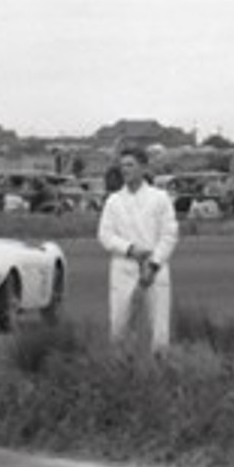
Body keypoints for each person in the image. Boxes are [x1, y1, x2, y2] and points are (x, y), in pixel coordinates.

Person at [97, 147, 179, 349]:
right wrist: (130, 249)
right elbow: (105, 235)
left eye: (130, 165)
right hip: (123, 266)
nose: (125, 170)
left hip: (155, 267)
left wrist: (153, 264)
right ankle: (122, 369)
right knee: (119, 323)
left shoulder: (160, 198)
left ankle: (159, 366)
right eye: (122, 165)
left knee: (159, 327)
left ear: (143, 168)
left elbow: (169, 234)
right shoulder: (114, 201)